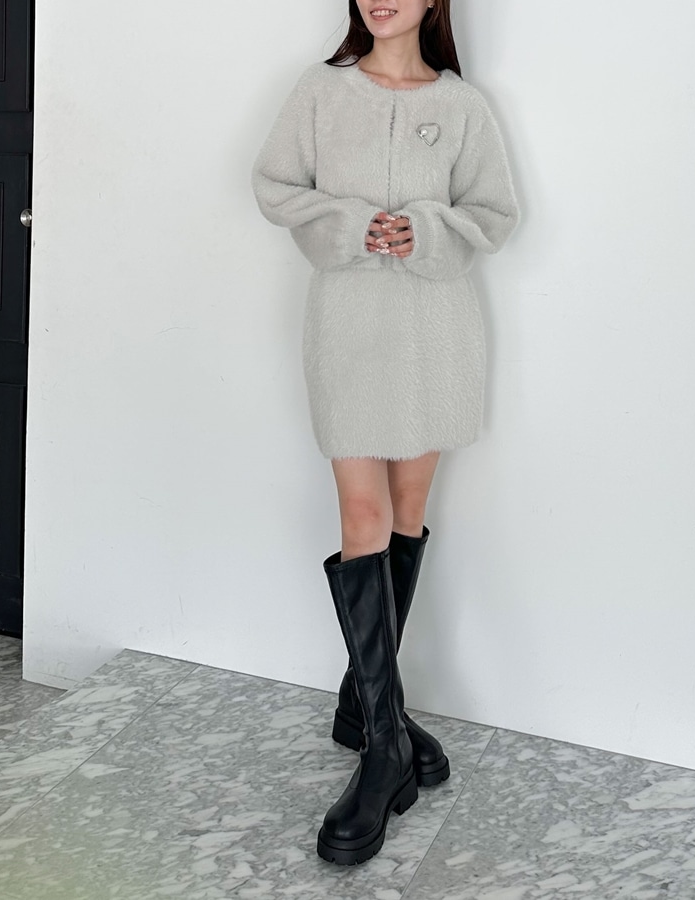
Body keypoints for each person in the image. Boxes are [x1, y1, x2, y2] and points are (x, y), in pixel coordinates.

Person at [252, 0, 519, 866]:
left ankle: (366, 709)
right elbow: (274, 185)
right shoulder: (320, 91)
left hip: (438, 332)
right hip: (348, 327)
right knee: (362, 518)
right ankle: (386, 747)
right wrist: (349, 223)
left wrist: (429, 229)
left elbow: (496, 213)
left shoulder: (463, 104)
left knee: (406, 516)